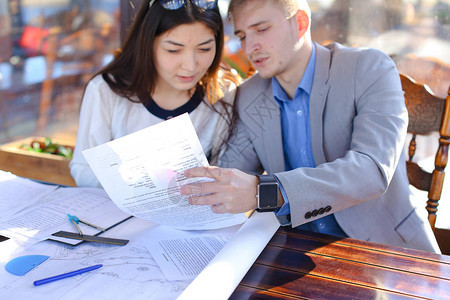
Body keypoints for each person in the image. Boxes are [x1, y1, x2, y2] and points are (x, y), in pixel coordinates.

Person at [179, 0, 441, 253]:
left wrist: (268, 192)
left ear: (301, 23)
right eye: (243, 35)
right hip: (299, 253)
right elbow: (231, 175)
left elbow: (371, 170)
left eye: (262, 29)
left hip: (389, 251)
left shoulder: (369, 68)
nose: (251, 46)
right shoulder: (250, 96)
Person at [70, 0, 238, 187]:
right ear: (147, 43)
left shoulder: (223, 93)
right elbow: (83, 169)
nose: (190, 66)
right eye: (173, 50)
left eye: (204, 49)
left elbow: (225, 175)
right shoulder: (106, 90)